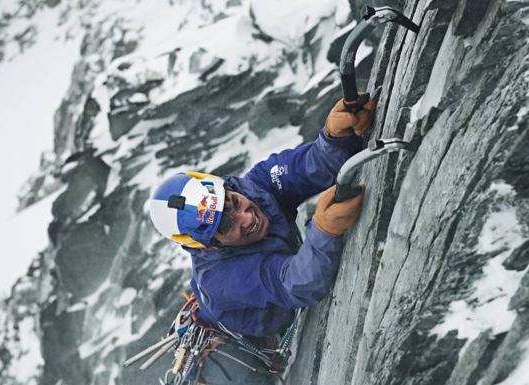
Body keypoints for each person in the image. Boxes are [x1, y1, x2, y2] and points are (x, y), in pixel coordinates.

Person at [148, 97, 375, 383]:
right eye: (225, 226)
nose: (246, 217)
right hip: (248, 345)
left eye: (231, 202)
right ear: (209, 246)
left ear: (226, 187)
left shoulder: (253, 186)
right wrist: (324, 229)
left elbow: (309, 166)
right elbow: (298, 283)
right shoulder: (221, 278)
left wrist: (336, 136)